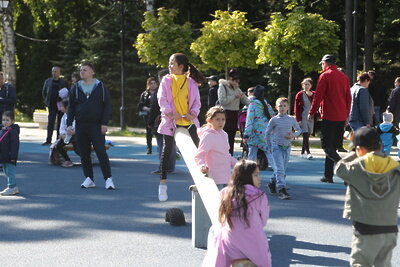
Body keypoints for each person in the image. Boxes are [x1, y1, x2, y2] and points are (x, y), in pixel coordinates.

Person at [335, 127, 400, 267]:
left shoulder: (357, 168)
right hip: (389, 228)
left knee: (361, 263)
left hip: (366, 227)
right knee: (383, 264)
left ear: (359, 149)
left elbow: (339, 169)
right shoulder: (395, 168)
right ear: (381, 145)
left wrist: (354, 154)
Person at [202, 160, 271, 267]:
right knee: (264, 261)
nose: (259, 178)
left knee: (217, 242)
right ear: (247, 176)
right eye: (256, 175)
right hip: (253, 241)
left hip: (229, 241)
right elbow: (263, 220)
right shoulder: (259, 195)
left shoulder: (225, 193)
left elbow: (220, 217)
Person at [157, 53, 206, 201]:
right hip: (170, 121)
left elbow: (197, 102)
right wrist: (170, 113)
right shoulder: (166, 80)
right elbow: (162, 99)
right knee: (167, 149)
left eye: (172, 63)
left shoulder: (191, 82)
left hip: (188, 122)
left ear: (181, 66)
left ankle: (200, 180)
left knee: (197, 150)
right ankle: (163, 183)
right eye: (169, 62)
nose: (169, 66)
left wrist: (193, 113)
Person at [67, 62, 115, 190]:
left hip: (97, 125)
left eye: (85, 70)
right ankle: (89, 178)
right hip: (81, 125)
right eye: (81, 70)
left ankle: (108, 179)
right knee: (84, 152)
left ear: (92, 72)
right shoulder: (76, 88)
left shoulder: (101, 87)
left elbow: (107, 106)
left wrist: (104, 123)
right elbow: (71, 107)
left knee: (100, 151)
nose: (82, 72)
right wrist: (69, 124)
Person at [308, 54, 351, 184]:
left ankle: (345, 169)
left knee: (327, 146)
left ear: (325, 63)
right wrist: (346, 115)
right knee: (333, 147)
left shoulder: (325, 76)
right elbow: (348, 98)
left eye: (322, 64)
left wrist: (312, 111)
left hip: (329, 115)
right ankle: (328, 175)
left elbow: (318, 96)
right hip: (341, 116)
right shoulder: (344, 77)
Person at [266, 97, 301, 200]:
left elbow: (299, 130)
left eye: (284, 106)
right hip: (276, 147)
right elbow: (267, 133)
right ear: (276, 107)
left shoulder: (291, 119)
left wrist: (293, 135)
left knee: (282, 170)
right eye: (280, 106)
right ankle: (282, 189)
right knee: (280, 169)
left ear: (288, 107)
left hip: (287, 147)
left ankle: (272, 182)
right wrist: (269, 147)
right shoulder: (274, 120)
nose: (282, 108)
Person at [195, 106, 237, 189]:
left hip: (227, 178)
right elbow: (199, 155)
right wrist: (202, 165)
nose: (221, 122)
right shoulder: (208, 136)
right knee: (216, 202)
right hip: (215, 179)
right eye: (217, 119)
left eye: (223, 119)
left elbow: (226, 155)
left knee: (227, 201)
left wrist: (238, 164)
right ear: (210, 120)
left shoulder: (224, 135)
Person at [148, 69, 176, 175]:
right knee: (172, 144)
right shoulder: (174, 88)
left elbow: (154, 107)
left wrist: (150, 121)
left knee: (162, 144)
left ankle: (162, 167)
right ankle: (171, 167)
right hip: (174, 119)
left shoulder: (160, 90)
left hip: (161, 120)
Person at [218, 68, 250, 155]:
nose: (236, 82)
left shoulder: (237, 88)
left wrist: (254, 106)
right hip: (225, 114)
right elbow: (222, 101)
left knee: (231, 137)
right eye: (234, 80)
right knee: (224, 137)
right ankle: (222, 155)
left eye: (237, 80)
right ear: (229, 79)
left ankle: (230, 156)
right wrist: (234, 96)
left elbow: (245, 100)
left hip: (235, 115)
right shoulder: (222, 86)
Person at [242, 85, 275, 166]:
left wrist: (246, 134)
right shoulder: (266, 104)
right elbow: (272, 115)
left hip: (254, 133)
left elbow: (249, 120)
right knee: (269, 153)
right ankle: (278, 172)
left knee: (252, 154)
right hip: (265, 131)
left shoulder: (252, 104)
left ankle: (249, 173)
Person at [42, 66, 69, 145]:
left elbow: (67, 92)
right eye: (53, 71)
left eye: (56, 71)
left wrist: (64, 102)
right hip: (51, 104)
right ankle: (48, 139)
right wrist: (46, 101)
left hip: (61, 105)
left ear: (59, 73)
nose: (54, 73)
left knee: (60, 122)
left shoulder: (64, 82)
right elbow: (44, 92)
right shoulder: (48, 81)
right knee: (51, 122)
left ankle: (58, 139)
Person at [294, 78, 315, 159]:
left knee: (308, 134)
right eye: (304, 84)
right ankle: (308, 153)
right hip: (303, 116)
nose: (306, 86)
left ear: (311, 86)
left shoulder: (314, 94)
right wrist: (298, 119)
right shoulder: (299, 95)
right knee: (305, 134)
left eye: (308, 84)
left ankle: (302, 152)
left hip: (311, 117)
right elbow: (296, 108)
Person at [0, 111, 20, 196]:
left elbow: (15, 145)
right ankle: (14, 187)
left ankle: (11, 187)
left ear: (13, 121)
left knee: (10, 171)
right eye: (3, 120)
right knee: (6, 171)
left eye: (7, 120)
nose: (5, 122)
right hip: (4, 155)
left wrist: (13, 156)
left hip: (10, 156)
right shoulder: (5, 129)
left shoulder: (13, 131)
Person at [55, 100, 79, 167]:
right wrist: (62, 135)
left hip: (75, 136)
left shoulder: (75, 115)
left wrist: (69, 134)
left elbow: (76, 128)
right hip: (67, 136)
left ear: (67, 107)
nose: (60, 107)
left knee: (78, 151)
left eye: (62, 106)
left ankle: (86, 159)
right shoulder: (64, 116)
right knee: (59, 145)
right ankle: (68, 160)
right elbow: (62, 127)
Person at [138, 77, 158, 154]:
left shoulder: (160, 92)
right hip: (148, 116)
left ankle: (160, 147)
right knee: (148, 132)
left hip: (157, 115)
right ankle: (149, 148)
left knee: (158, 132)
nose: (153, 85)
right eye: (151, 83)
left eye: (154, 83)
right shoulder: (144, 94)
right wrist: (146, 109)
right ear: (148, 84)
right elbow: (141, 105)